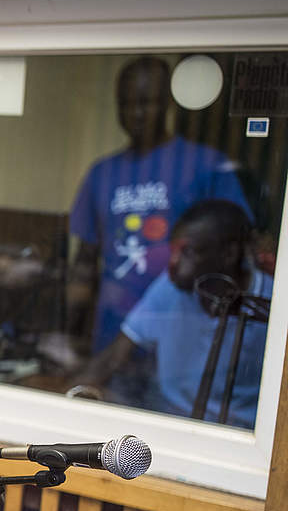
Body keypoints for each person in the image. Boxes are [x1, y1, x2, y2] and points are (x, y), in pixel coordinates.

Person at [67, 56, 252, 372]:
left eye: (146, 103)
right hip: (112, 333)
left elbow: (240, 255)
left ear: (167, 103)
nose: (136, 114)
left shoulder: (206, 166)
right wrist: (70, 334)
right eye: (126, 104)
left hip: (184, 337)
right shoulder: (101, 174)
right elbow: (84, 261)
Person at [73, 199, 272, 428]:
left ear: (228, 254)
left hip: (239, 433)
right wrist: (70, 397)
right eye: (174, 250)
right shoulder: (170, 286)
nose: (174, 263)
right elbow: (115, 356)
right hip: (168, 419)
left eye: (188, 253)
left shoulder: (270, 303)